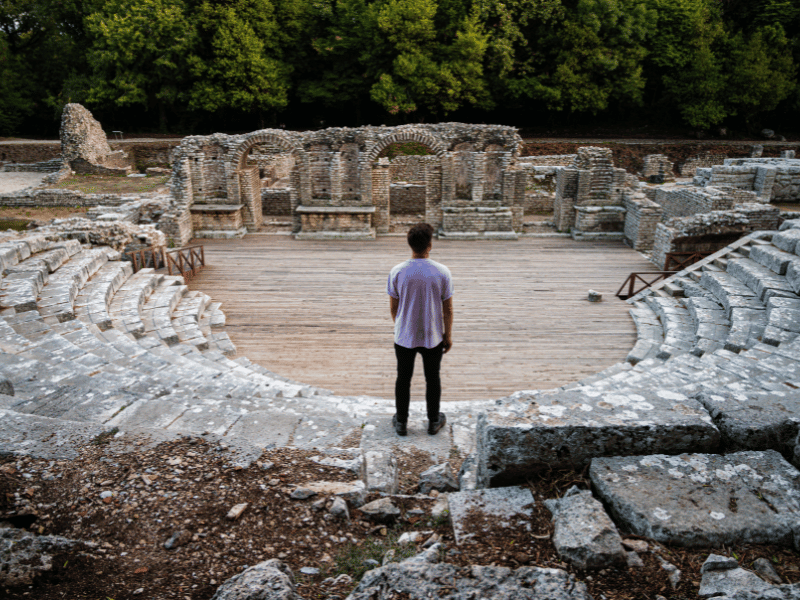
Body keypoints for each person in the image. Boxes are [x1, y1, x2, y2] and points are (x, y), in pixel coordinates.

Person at [387, 223, 453, 436]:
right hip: (432, 335)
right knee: (433, 378)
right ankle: (433, 420)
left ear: (410, 244)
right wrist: (447, 335)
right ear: (430, 245)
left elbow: (394, 307)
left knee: (402, 378)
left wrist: (402, 325)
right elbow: (448, 308)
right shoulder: (442, 272)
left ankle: (401, 422)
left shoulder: (397, 271)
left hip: (404, 336)